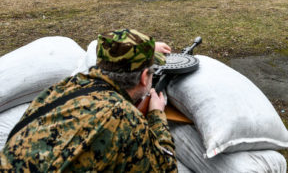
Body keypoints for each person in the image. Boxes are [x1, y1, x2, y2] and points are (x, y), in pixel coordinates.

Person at [0, 29, 177, 172]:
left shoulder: (62, 88)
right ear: (145, 77)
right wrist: (156, 115)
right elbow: (166, 168)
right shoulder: (124, 117)